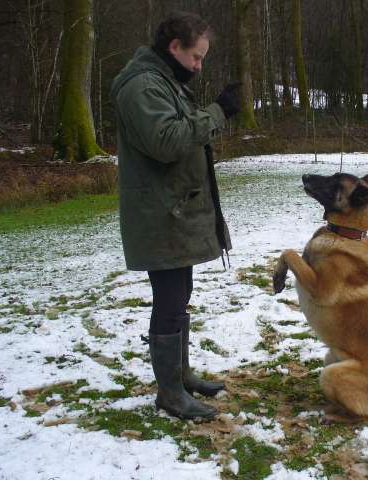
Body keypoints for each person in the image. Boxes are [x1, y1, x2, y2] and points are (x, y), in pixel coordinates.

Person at [110, 12, 241, 420]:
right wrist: (218, 112)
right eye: (197, 57)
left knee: (178, 296)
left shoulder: (163, 81)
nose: (200, 66)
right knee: (168, 300)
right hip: (159, 214)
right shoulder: (142, 86)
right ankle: (170, 393)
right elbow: (166, 141)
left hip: (172, 210)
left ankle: (180, 377)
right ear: (174, 48)